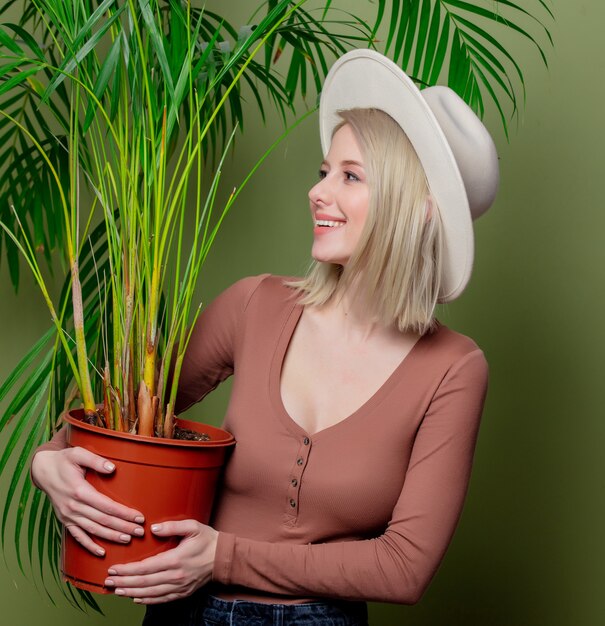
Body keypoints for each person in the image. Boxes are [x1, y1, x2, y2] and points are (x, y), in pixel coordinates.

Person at [30, 50, 499, 625]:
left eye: (350, 176)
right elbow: (129, 413)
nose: (318, 192)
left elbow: (403, 566)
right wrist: (50, 458)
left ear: (418, 210)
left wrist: (222, 557)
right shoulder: (258, 304)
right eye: (323, 171)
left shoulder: (453, 368)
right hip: (184, 611)